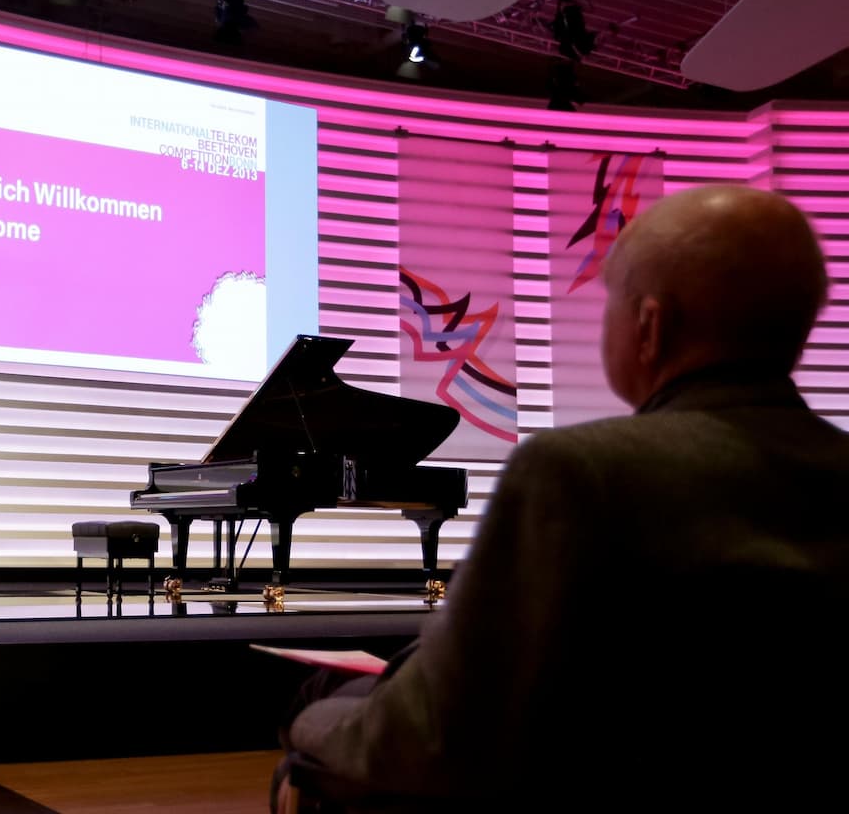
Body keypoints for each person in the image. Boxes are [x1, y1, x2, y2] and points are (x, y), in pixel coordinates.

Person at [274, 185, 849, 811]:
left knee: (328, 709)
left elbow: (432, 741)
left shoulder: (577, 471)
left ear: (651, 326)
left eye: (609, 305)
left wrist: (306, 720)